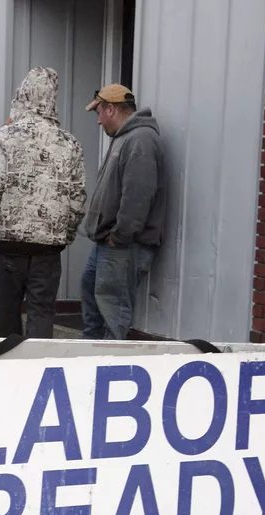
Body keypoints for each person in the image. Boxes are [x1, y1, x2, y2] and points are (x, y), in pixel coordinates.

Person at [0, 67, 86, 338]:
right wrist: (64, 234)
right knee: (42, 310)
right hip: (48, 246)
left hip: (10, 243)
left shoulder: (5, 137)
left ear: (21, 96)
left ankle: (6, 368)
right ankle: (37, 370)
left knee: (8, 308)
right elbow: (78, 198)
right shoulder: (70, 143)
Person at [82, 84, 166, 340]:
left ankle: (108, 366)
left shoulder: (140, 140)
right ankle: (87, 361)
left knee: (112, 310)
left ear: (111, 108)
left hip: (122, 245)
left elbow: (137, 197)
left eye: (99, 112)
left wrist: (119, 236)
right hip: (109, 243)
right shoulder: (125, 138)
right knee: (92, 294)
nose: (98, 121)